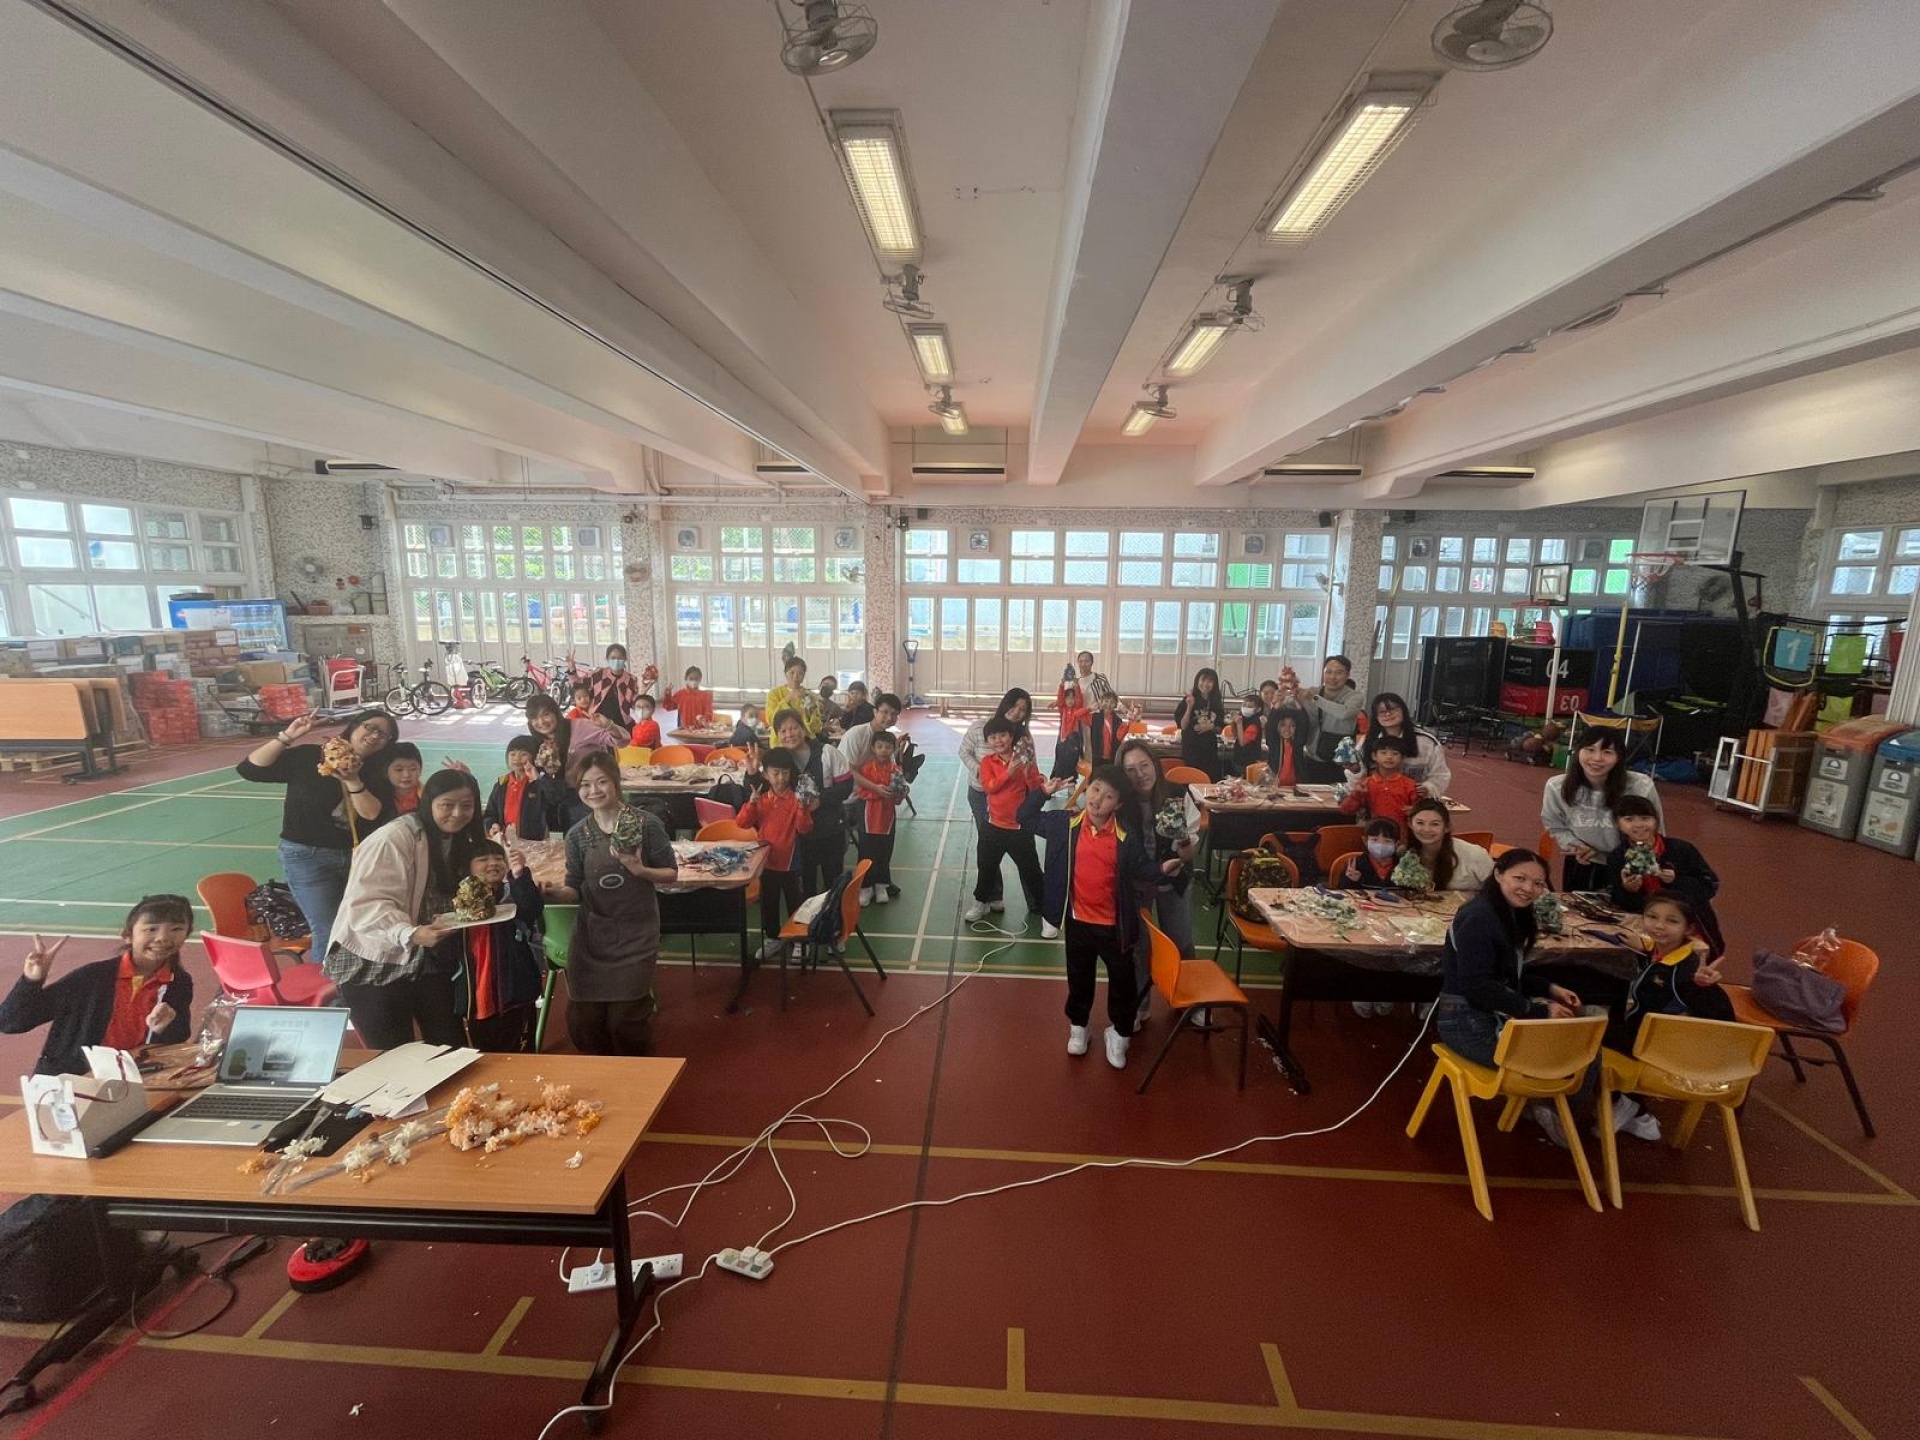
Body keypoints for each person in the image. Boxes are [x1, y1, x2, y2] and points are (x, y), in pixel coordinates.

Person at [1030, 765, 1182, 1069]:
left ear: (1119, 804)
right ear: (1087, 788)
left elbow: (1141, 868)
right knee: (1079, 978)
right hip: (1078, 923)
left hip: (1115, 927)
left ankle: (1120, 1034)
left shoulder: (1126, 837)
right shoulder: (1065, 825)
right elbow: (1025, 817)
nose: (1098, 799)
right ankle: (1079, 1028)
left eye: (1108, 796)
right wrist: (1042, 793)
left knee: (1123, 983)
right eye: (1095, 789)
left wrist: (1161, 869)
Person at [323, 767, 486, 1049]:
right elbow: (368, 904)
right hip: (374, 960)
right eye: (447, 805)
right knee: (393, 1055)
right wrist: (409, 933)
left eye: (466, 805)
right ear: (429, 802)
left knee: (449, 1049)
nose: (457, 813)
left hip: (425, 961)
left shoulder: (458, 839)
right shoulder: (395, 837)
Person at [540, 751, 678, 1055]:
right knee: (583, 1023)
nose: (594, 791)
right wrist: (550, 894)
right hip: (592, 938)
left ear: (616, 782)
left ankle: (638, 1076)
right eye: (585, 785)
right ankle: (604, 1075)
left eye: (601, 782)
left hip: (636, 934)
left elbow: (671, 873)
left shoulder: (646, 824)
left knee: (624, 1022)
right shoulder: (577, 835)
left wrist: (640, 870)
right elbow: (574, 888)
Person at [237, 710, 395, 968]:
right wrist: (287, 736)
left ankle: (354, 979)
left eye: (384, 734)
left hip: (356, 858)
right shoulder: (311, 757)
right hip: (307, 857)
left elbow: (371, 814)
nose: (375, 735)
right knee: (327, 926)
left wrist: (353, 780)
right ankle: (328, 987)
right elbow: (250, 769)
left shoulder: (378, 771)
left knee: (356, 923)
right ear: (355, 726)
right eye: (370, 727)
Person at [2, 897, 195, 1077]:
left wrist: (163, 1029)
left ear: (187, 934)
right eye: (151, 929)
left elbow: (176, 1039)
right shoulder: (91, 979)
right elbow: (11, 1022)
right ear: (127, 935)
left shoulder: (179, 982)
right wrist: (31, 980)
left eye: (176, 929)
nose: (163, 938)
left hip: (136, 1079)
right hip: (72, 1080)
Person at [1603, 892, 1735, 1142]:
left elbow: (1723, 1018)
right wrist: (1645, 946)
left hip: (1660, 1049)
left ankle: (1630, 1102)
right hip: (1646, 1035)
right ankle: (1634, 1111)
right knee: (1604, 1018)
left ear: (1689, 928)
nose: (1659, 926)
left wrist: (1703, 988)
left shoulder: (1689, 973)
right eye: (1652, 917)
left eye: (1672, 921)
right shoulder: (1663, 952)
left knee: (1588, 1033)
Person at [1435, 849, 1581, 1069]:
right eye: (1520, 878)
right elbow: (1476, 986)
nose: (1528, 889)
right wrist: (1540, 1011)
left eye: (1538, 883)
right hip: (1466, 1022)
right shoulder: (1478, 917)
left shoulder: (1510, 912)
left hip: (1488, 1012)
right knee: (1573, 1058)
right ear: (1498, 874)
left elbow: (1505, 972)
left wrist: (1550, 988)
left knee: (1581, 1049)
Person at [1116, 738, 1200, 1028]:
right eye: (1130, 770)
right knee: (1138, 948)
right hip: (1136, 885)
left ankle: (1187, 999)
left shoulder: (1178, 795)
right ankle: (1140, 1006)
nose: (1140, 774)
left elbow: (1189, 855)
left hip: (1174, 881)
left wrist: (1183, 841)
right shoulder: (1120, 803)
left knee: (1181, 941)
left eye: (1144, 765)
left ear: (1155, 764)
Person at [452, 838, 545, 1052]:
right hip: (477, 990)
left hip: (516, 987)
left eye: (498, 858)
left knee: (522, 1049)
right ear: (467, 867)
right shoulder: (460, 900)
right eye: (483, 859)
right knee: (484, 1050)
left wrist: (520, 874)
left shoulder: (513, 892)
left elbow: (531, 909)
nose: (492, 863)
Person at [965, 716, 1060, 924]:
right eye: (993, 737)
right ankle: (980, 902)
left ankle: (1047, 910)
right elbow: (989, 787)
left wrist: (1027, 773)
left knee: (1031, 870)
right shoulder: (987, 762)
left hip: (1019, 828)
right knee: (986, 867)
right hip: (993, 826)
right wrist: (1008, 773)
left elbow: (1034, 789)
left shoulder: (1025, 761)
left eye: (1003, 735)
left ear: (1011, 736)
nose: (998, 740)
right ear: (987, 741)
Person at [1542, 728, 1661, 891]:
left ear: (1619, 757)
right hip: (1582, 863)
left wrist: (1643, 863)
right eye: (1590, 750)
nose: (1597, 758)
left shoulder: (1640, 786)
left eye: (1607, 752)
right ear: (1577, 751)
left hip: (1629, 866)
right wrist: (1574, 845)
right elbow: (1555, 826)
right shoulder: (1557, 786)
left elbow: (1656, 830)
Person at [1603, 795, 1724, 954]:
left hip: (1690, 927)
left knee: (1696, 962)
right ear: (1617, 824)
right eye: (1629, 819)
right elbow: (1621, 904)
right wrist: (1629, 890)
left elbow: (1710, 886)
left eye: (1645, 818)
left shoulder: (1681, 849)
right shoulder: (1617, 857)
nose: (1638, 825)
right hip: (1648, 930)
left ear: (1656, 821)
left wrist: (1677, 880)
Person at [958, 688, 1035, 912]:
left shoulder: (1023, 738)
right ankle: (991, 896)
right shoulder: (979, 727)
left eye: (1023, 709)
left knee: (1026, 851)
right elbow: (964, 752)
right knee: (988, 849)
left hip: (1015, 800)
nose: (1017, 712)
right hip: (981, 795)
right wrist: (981, 772)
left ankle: (1036, 902)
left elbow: (1031, 766)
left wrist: (1039, 788)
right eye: (1014, 705)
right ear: (1005, 703)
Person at [760, 708, 852, 894]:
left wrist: (821, 800)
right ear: (777, 735)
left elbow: (846, 786)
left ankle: (835, 912)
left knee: (833, 882)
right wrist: (752, 772)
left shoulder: (827, 752)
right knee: (807, 886)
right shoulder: (781, 760)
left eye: (794, 728)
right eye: (783, 731)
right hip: (799, 836)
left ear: (803, 729)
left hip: (830, 829)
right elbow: (762, 789)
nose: (789, 734)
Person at [738, 746, 814, 957]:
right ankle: (772, 938)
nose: (781, 778)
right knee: (769, 903)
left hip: (791, 863)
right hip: (766, 862)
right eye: (776, 773)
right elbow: (742, 823)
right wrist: (751, 804)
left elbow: (805, 828)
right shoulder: (760, 798)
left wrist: (802, 808)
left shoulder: (796, 798)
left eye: (785, 773)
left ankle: (799, 940)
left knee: (795, 903)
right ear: (766, 775)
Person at [1356, 693, 1452, 797]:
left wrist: (1428, 788)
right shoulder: (1368, 740)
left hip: (1415, 800)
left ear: (1403, 711)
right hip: (1375, 798)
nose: (1388, 714)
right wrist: (1356, 776)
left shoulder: (1427, 742)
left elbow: (1440, 775)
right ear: (1376, 717)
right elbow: (1356, 776)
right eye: (1382, 711)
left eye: (1392, 709)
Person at [852, 730, 904, 906]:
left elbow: (898, 799)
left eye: (888, 747)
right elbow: (861, 791)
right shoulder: (866, 769)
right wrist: (878, 792)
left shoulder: (896, 771)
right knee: (866, 853)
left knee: (884, 853)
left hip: (887, 820)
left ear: (893, 749)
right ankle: (865, 888)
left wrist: (900, 793)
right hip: (868, 818)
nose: (883, 750)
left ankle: (881, 886)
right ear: (873, 748)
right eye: (879, 746)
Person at [483, 735, 563, 841]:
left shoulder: (539, 782)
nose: (517, 758)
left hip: (534, 843)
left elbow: (555, 798)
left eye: (523, 754)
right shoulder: (501, 784)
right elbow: (490, 813)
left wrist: (539, 778)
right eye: (512, 754)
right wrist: (492, 825)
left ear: (534, 757)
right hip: (506, 843)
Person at [1404, 797, 1494, 892]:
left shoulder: (1474, 854)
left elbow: (1497, 890)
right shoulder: (1405, 853)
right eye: (1420, 823)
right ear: (1410, 824)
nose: (1426, 829)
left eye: (1435, 824)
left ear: (1447, 827)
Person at [1339, 733, 1420, 828]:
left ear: (1402, 758)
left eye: (1395, 753)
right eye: (1383, 753)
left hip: (1401, 834)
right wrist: (1356, 794)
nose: (1389, 757)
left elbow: (1420, 812)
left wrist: (1415, 811)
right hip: (1372, 833)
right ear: (1374, 756)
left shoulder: (1409, 785)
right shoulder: (1365, 784)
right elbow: (1346, 810)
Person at [569, 643, 645, 729]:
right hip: (598, 719)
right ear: (607, 659)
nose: (616, 661)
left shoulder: (631, 679)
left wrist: (644, 690)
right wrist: (572, 668)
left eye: (620, 658)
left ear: (625, 659)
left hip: (622, 722)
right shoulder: (598, 673)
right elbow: (577, 685)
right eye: (613, 658)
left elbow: (635, 703)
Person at [1304, 655, 1364, 762]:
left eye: (1338, 673)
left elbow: (1345, 713)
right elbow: (1292, 707)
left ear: (1347, 675)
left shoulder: (1355, 697)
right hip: (1312, 756)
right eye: (1328, 672)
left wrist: (1316, 699)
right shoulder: (1313, 692)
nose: (1332, 677)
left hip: (1341, 759)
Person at [1173, 667, 1226, 781]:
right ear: (1197, 681)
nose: (1205, 684)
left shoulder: (1216, 702)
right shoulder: (1189, 699)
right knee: (1192, 778)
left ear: (1214, 684)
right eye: (1203, 680)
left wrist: (1211, 726)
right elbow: (1183, 726)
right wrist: (1190, 706)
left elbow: (1221, 727)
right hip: (1191, 747)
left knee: (1209, 778)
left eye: (1210, 681)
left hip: (1209, 748)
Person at [1051, 652, 1099, 779]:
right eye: (1081, 661)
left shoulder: (1098, 679)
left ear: (1092, 662)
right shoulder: (1064, 708)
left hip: (1082, 729)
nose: (1084, 663)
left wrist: (1089, 707)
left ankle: (1081, 780)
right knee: (1062, 760)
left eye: (1087, 661)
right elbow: (1062, 698)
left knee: (1081, 756)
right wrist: (1061, 686)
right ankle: (1060, 779)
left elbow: (1079, 701)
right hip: (1065, 738)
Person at [1264, 703, 1328, 787]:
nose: (1287, 729)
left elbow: (1304, 723)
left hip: (1296, 786)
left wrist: (1297, 701)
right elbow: (1270, 725)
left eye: (1292, 726)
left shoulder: (1297, 743)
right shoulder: (1274, 742)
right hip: (1275, 785)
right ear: (1277, 727)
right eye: (1283, 725)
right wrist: (1277, 704)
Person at [764, 655, 824, 737]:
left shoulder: (810, 696)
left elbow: (816, 726)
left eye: (800, 674)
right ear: (785, 673)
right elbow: (771, 719)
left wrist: (810, 711)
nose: (795, 676)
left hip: (804, 740)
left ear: (804, 676)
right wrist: (787, 699)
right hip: (781, 740)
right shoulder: (774, 694)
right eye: (792, 672)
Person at [1341, 818, 1406, 891]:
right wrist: (1352, 880)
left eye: (1387, 841)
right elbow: (1342, 892)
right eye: (1375, 840)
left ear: (1397, 844)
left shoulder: (1404, 865)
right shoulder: (1356, 864)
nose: (1381, 844)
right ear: (1365, 841)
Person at [1080, 676, 1128, 771]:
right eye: (1106, 701)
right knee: (1097, 777)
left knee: (1110, 778)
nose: (1109, 705)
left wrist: (1130, 722)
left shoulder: (1118, 721)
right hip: (1097, 756)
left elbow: (1119, 737)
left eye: (1112, 702)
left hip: (1112, 757)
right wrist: (1089, 708)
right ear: (1101, 703)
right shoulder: (1094, 718)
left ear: (1115, 705)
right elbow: (1077, 715)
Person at [378, 742, 424, 818]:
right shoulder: (377, 795)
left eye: (413, 769)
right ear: (386, 772)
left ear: (420, 770)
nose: (407, 775)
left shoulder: (427, 795)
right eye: (399, 770)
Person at [1229, 691, 1266, 774]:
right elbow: (1235, 735)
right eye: (1244, 705)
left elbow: (1242, 742)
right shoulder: (1243, 718)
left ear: (1258, 709)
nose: (1246, 708)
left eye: (1250, 706)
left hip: (1248, 761)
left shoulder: (1254, 723)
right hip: (1239, 758)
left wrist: (1239, 724)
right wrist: (1234, 721)